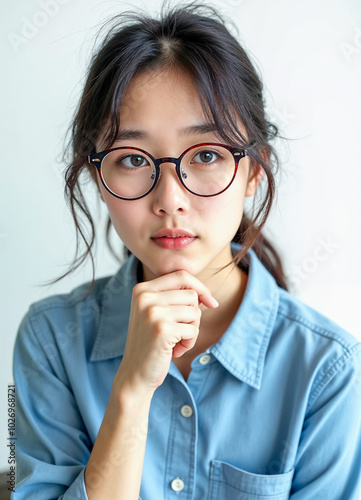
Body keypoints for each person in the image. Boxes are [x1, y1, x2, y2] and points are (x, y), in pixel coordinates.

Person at [12, 3, 361, 500]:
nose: (170, 200)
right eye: (132, 159)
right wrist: (131, 394)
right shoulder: (49, 343)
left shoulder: (329, 370)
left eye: (207, 155)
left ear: (254, 171)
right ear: (97, 175)